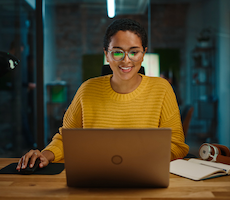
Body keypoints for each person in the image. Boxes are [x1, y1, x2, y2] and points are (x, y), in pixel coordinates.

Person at [17, 18, 189, 171]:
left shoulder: (162, 89)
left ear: (143, 54)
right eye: (117, 52)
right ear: (107, 54)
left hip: (145, 175)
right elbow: (66, 138)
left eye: (134, 52)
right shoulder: (87, 90)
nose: (126, 60)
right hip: (95, 177)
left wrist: (140, 159)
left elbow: (176, 145)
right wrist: (45, 155)